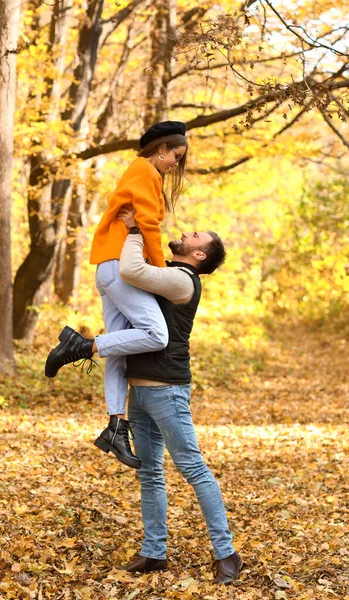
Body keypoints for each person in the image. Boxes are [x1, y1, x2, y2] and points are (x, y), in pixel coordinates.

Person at [45, 121, 188, 470]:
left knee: (120, 352)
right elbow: (150, 227)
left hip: (110, 267)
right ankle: (80, 346)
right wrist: (160, 270)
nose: (174, 164)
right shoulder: (144, 171)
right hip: (120, 266)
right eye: (175, 157)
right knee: (155, 334)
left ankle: (115, 426)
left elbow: (137, 218)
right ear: (161, 149)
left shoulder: (141, 172)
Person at [109, 208, 242, 585]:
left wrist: (135, 229)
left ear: (199, 255)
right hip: (141, 389)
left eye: (194, 235)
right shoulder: (170, 271)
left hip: (167, 390)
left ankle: (227, 553)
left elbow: (132, 270)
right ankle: (154, 553)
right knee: (150, 474)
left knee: (193, 469)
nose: (186, 233)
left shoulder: (182, 279)